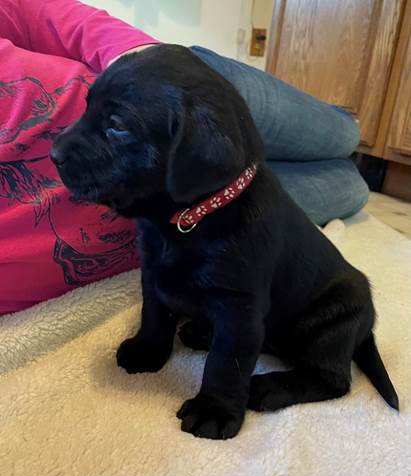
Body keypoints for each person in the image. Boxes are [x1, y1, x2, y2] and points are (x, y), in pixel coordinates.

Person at [0, 0, 368, 316]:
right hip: (201, 222)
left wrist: (137, 55)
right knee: (351, 189)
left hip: (189, 98)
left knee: (345, 134)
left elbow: (29, 10)